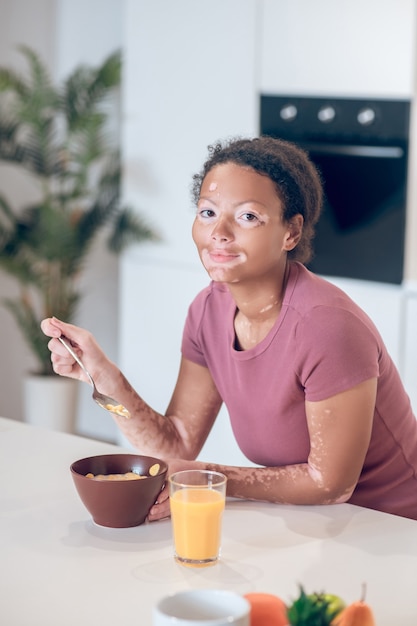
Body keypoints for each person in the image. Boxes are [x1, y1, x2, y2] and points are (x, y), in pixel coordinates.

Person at [41, 136, 417, 521]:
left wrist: (207, 477)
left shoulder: (326, 326)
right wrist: (103, 377)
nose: (218, 232)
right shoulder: (209, 311)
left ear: (291, 233)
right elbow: (177, 444)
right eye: (207, 212)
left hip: (391, 528)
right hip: (310, 522)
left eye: (247, 216)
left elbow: (330, 484)